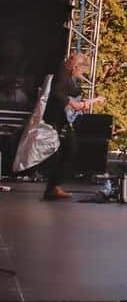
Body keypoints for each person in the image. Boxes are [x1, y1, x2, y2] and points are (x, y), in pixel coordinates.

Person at [40, 51, 91, 200]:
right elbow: (57, 92)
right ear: (76, 65)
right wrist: (72, 103)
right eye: (81, 69)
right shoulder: (62, 72)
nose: (82, 72)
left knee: (69, 149)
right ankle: (53, 186)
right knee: (67, 149)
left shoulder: (69, 76)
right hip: (55, 118)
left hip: (62, 119)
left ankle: (53, 186)